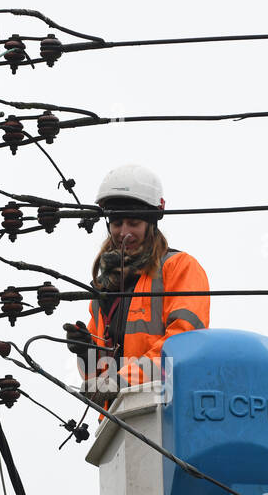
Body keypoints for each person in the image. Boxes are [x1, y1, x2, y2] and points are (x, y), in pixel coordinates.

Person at [62, 164, 209, 402]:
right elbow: (96, 377)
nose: (124, 232)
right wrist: (85, 352)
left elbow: (184, 344)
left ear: (151, 224)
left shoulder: (178, 267)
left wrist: (123, 380)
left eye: (133, 223)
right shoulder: (104, 288)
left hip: (167, 409)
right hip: (118, 420)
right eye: (117, 223)